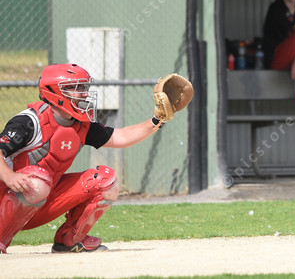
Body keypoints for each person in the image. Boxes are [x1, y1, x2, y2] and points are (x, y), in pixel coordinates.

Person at [0, 63, 187, 254]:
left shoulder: (81, 124)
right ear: (54, 92)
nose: (84, 93)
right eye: (76, 88)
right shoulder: (29, 121)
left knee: (105, 181)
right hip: (7, 199)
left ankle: (70, 240)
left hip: (41, 201)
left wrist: (158, 119)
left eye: (84, 87)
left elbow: (121, 137)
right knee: (36, 180)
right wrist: (10, 177)